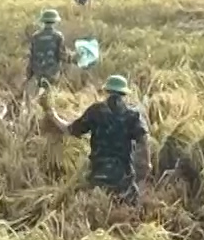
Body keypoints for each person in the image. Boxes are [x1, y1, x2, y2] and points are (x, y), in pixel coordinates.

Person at [51, 75, 150, 203]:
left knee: (87, 203)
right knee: (131, 207)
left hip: (98, 175)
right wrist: (146, 164)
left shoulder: (95, 111)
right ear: (124, 93)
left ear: (107, 91)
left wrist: (53, 116)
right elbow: (144, 140)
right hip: (122, 178)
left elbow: (71, 130)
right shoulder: (132, 115)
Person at [26, 9, 70, 90]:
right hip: (53, 72)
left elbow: (31, 56)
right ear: (55, 22)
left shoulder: (35, 36)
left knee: (40, 91)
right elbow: (62, 55)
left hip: (38, 72)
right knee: (51, 92)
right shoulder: (58, 36)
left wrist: (29, 73)